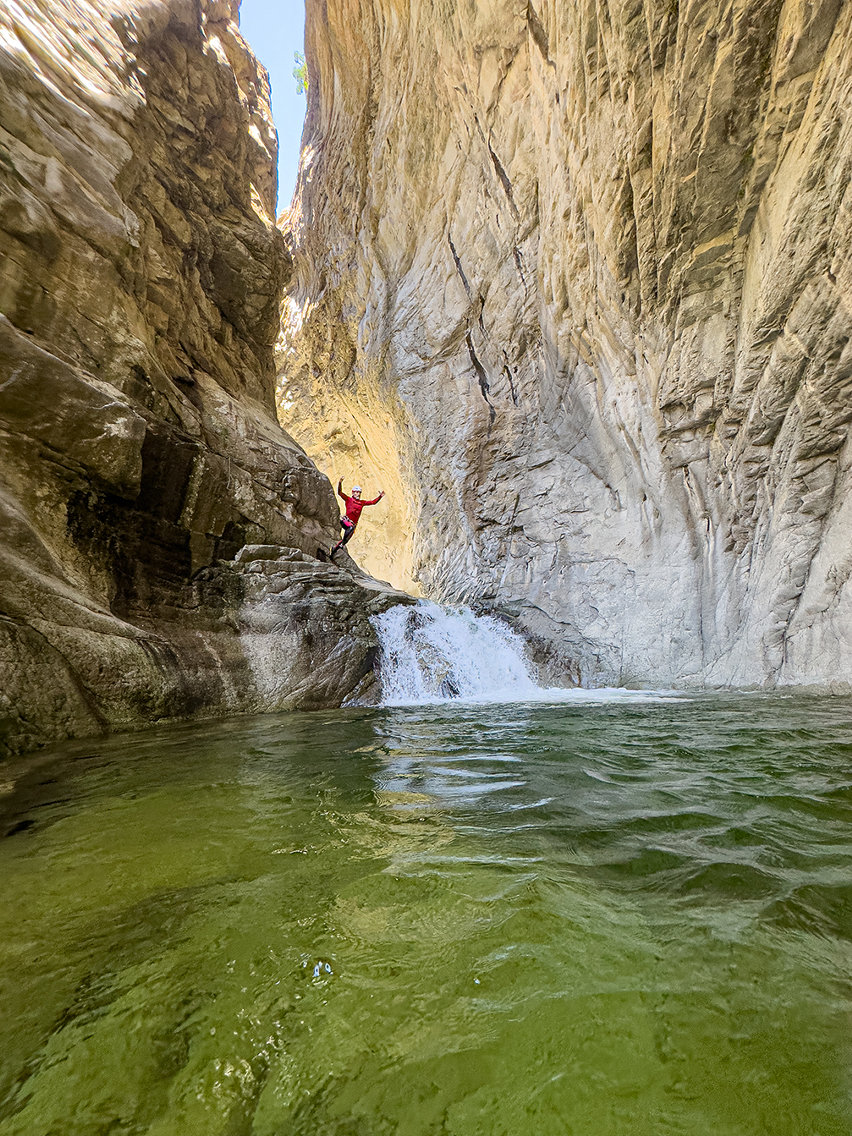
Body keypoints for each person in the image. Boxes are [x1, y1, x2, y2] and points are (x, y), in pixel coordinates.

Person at [331, 479, 385, 557]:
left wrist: (380, 496)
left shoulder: (362, 503)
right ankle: (339, 545)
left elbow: (373, 502)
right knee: (350, 528)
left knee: (345, 541)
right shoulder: (349, 500)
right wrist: (340, 483)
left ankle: (333, 551)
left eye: (359, 492)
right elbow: (339, 493)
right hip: (346, 521)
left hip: (353, 525)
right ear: (353, 493)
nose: (358, 494)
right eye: (356, 492)